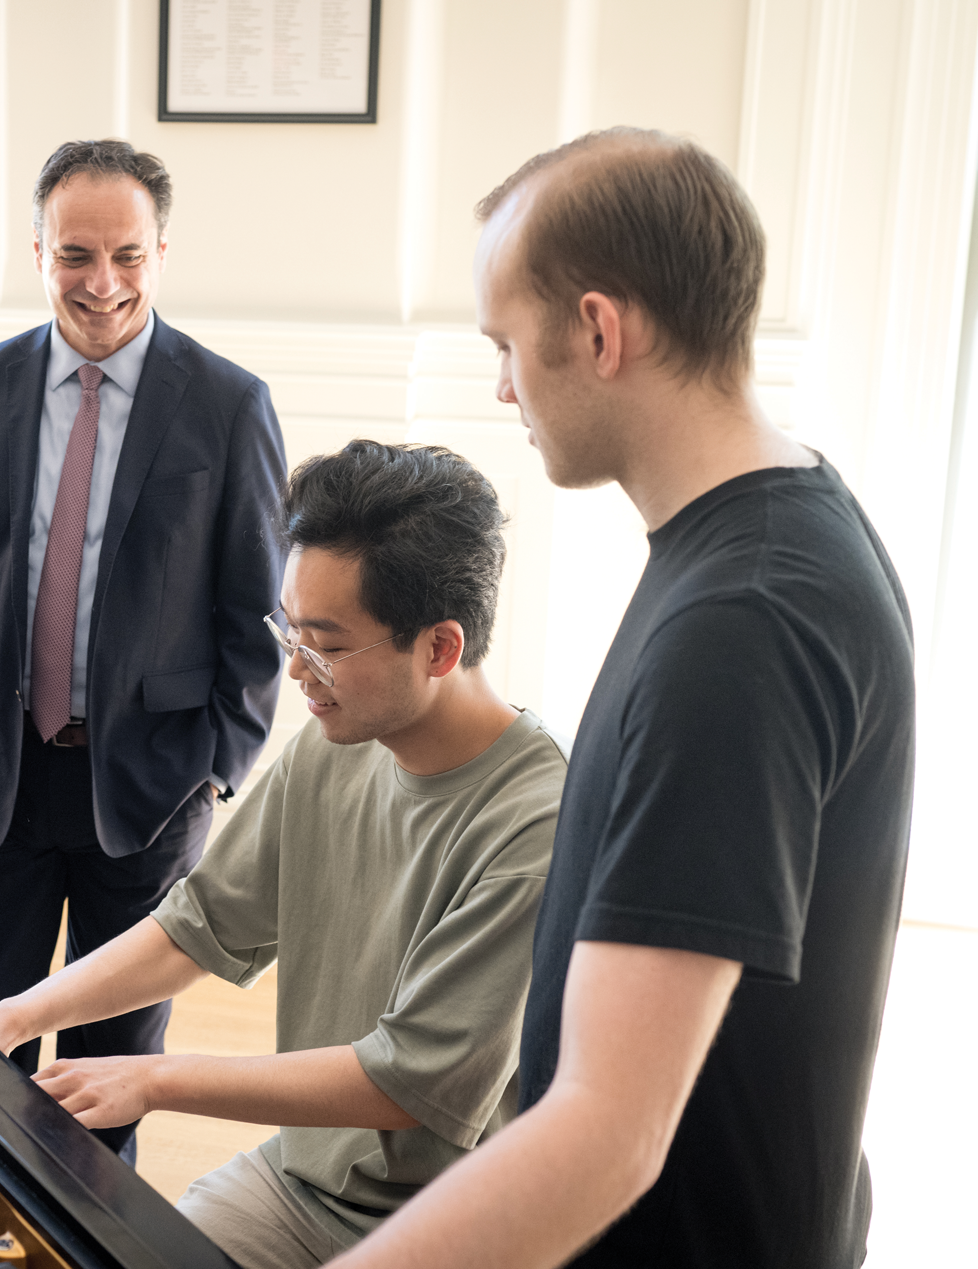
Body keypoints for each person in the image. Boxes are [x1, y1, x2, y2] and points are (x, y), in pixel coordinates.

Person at [333, 129, 915, 1269]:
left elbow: (608, 1134)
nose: (502, 385)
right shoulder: (783, 523)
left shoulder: (740, 622)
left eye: (506, 343)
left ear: (598, 330)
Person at [0, 441, 568, 1268]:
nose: (294, 668)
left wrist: (154, 1077)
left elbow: (402, 1082)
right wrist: (16, 1015)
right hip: (301, 1178)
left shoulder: (533, 826)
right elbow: (198, 927)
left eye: (323, 643)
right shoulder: (334, 742)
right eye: (288, 628)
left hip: (457, 1224)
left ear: (439, 647)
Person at [0, 139, 288, 1161]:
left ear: (160, 253)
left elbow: (258, 613)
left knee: (110, 1064)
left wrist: (215, 771)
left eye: (126, 255)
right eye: (75, 254)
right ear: (36, 253)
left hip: (147, 787)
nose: (101, 283)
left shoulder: (228, 404)